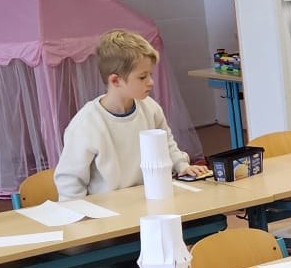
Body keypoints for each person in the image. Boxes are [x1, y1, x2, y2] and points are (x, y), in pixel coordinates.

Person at [53, 29, 204, 199]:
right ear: (115, 80)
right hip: (109, 210)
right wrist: (78, 211)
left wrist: (182, 166)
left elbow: (166, 144)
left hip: (150, 198)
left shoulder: (150, 108)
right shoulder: (86, 124)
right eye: (142, 77)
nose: (151, 82)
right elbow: (70, 181)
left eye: (150, 75)